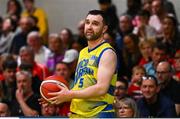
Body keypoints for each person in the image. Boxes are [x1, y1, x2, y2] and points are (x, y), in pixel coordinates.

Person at [46, 10, 117, 118]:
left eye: (95, 24)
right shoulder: (83, 52)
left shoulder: (107, 53)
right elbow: (81, 85)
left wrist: (70, 94)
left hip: (98, 113)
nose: (89, 27)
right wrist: (55, 95)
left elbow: (102, 88)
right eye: (87, 22)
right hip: (78, 113)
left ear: (104, 29)